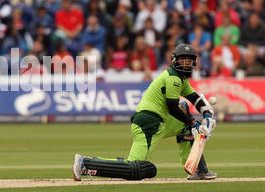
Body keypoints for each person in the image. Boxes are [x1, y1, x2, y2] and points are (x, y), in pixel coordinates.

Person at [73, 44, 217, 181]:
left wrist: (207, 113)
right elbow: (173, 107)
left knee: (184, 121)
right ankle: (85, 163)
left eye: (189, 60)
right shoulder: (174, 78)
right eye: (182, 60)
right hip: (149, 123)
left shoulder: (181, 79)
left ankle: (200, 170)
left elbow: (195, 98)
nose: (186, 63)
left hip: (161, 121)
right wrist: (194, 124)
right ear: (174, 60)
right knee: (133, 167)